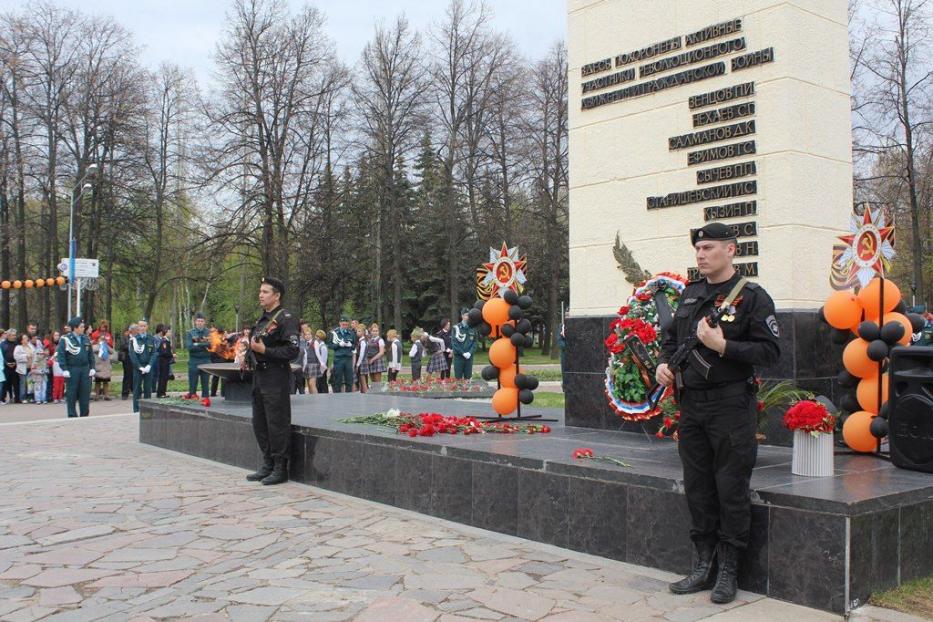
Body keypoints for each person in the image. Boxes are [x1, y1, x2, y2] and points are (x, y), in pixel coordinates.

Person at [656, 223, 781, 604]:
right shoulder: (691, 295)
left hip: (730, 405)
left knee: (730, 487)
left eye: (708, 247)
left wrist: (724, 346)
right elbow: (671, 339)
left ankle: (728, 571)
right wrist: (665, 364)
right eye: (698, 248)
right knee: (698, 487)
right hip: (692, 404)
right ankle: (702, 564)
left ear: (731, 250)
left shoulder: (753, 298)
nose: (700, 254)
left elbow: (770, 353)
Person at [243, 277, 300, 486]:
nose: (260, 295)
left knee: (277, 422)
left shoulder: (286, 318)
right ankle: (267, 463)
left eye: (265, 292)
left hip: (276, 376)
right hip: (260, 376)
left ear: (277, 296)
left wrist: (265, 350)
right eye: (260, 291)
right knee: (260, 422)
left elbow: (293, 351)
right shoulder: (263, 320)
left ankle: (279, 468)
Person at [57, 317, 96, 418]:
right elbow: (61, 355)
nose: (83, 328)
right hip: (72, 369)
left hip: (84, 369)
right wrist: (64, 368)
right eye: (81, 327)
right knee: (72, 393)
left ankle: (84, 414)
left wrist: (92, 367)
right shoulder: (65, 339)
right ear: (75, 328)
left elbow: (90, 355)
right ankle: (72, 414)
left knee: (85, 393)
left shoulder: (85, 338)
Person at [129, 320, 158, 413]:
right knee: (137, 390)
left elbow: (154, 353)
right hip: (138, 369)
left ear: (147, 327)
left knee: (148, 389)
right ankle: (136, 410)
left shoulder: (151, 338)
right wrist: (139, 367)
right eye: (140, 326)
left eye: (144, 326)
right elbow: (132, 355)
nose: (142, 328)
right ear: (138, 327)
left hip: (148, 368)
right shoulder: (134, 339)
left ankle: (147, 410)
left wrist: (149, 365)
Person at [186, 313, 211, 398]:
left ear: (204, 322)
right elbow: (190, 347)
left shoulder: (209, 333)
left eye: (202, 321)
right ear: (195, 322)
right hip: (194, 361)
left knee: (205, 384)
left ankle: (206, 400)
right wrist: (203, 344)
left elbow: (211, 345)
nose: (200, 323)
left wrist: (197, 343)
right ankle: (192, 399)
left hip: (206, 360)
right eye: (198, 321)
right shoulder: (190, 333)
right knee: (193, 383)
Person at [329, 315, 356, 393]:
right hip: (338, 359)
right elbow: (330, 345)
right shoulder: (334, 333)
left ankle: (349, 398)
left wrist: (351, 345)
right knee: (337, 380)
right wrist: (338, 345)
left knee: (349, 380)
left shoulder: (351, 333)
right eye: (343, 324)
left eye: (346, 325)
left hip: (348, 358)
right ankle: (337, 398)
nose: (345, 326)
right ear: (340, 323)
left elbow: (354, 345)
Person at [452, 308, 478, 380]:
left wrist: (470, 353)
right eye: (466, 315)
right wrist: (463, 353)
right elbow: (454, 343)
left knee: (468, 378)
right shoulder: (456, 328)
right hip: (459, 358)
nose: (468, 317)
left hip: (469, 358)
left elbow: (475, 342)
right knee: (458, 379)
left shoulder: (472, 328)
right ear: (462, 316)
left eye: (469, 315)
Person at [92, 332, 113, 401]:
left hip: (106, 367)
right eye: (101, 339)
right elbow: (93, 350)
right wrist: (101, 347)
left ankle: (106, 395)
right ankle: (96, 395)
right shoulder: (95, 346)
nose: (102, 340)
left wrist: (106, 346)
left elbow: (112, 351)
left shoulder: (106, 346)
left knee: (106, 382)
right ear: (98, 339)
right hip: (99, 367)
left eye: (104, 339)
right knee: (97, 382)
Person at [119, 324, 137, 400]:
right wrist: (131, 345)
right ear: (132, 330)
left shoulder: (137, 338)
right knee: (127, 375)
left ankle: (134, 391)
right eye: (136, 329)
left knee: (135, 375)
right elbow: (122, 346)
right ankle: (125, 393)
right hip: (127, 359)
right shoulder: (126, 337)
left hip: (135, 359)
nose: (137, 331)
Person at [14, 334, 34, 403]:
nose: (26, 339)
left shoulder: (30, 346)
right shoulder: (18, 347)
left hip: (31, 367)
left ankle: (30, 397)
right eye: (25, 338)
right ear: (21, 340)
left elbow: (34, 354)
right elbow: (16, 357)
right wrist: (26, 356)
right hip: (22, 368)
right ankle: (22, 398)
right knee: (23, 383)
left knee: (30, 383)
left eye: (26, 337)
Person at [156, 325, 175, 397]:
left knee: (164, 378)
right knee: (163, 378)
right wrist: (172, 355)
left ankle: (162, 392)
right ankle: (161, 393)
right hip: (164, 362)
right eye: (169, 331)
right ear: (165, 332)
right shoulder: (164, 341)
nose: (170, 333)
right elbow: (164, 352)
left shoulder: (166, 340)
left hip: (165, 362)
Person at [29, 334, 48, 404]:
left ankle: (43, 399)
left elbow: (47, 368)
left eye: (42, 354)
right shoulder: (35, 361)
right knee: (37, 388)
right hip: (37, 378)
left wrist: (46, 371)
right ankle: (38, 399)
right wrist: (40, 371)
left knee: (44, 388)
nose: (41, 355)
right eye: (39, 354)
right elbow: (33, 370)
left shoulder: (45, 360)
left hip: (44, 377)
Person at [2, 329, 20, 403]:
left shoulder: (16, 344)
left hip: (15, 366)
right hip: (6, 367)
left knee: (16, 383)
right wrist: (6, 363)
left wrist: (16, 362)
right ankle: (3, 398)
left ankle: (17, 399)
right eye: (13, 335)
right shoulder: (2, 344)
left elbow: (19, 354)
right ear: (8, 335)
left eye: (15, 335)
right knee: (6, 383)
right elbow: (1, 356)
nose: (14, 337)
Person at [50, 334, 66, 404]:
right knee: (56, 385)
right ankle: (55, 397)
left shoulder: (66, 348)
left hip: (62, 369)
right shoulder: (58, 348)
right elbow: (53, 358)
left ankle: (60, 397)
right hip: (56, 370)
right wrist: (53, 360)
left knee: (62, 385)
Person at [353, 325, 368, 393]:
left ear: (363, 332)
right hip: (361, 362)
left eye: (359, 331)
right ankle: (362, 393)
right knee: (361, 380)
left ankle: (365, 394)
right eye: (357, 331)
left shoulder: (362, 341)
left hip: (362, 362)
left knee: (363, 380)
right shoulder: (360, 340)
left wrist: (357, 364)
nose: (357, 332)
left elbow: (361, 354)